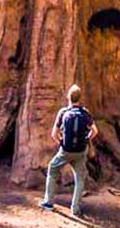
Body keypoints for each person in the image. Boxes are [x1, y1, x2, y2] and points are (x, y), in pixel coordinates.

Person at [39, 84, 97, 218]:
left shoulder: (63, 112)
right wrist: (87, 138)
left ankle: (48, 202)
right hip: (81, 151)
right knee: (80, 178)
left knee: (52, 169)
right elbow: (95, 131)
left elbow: (54, 134)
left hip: (65, 151)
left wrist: (62, 143)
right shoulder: (85, 113)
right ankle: (75, 209)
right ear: (79, 98)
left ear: (68, 98)